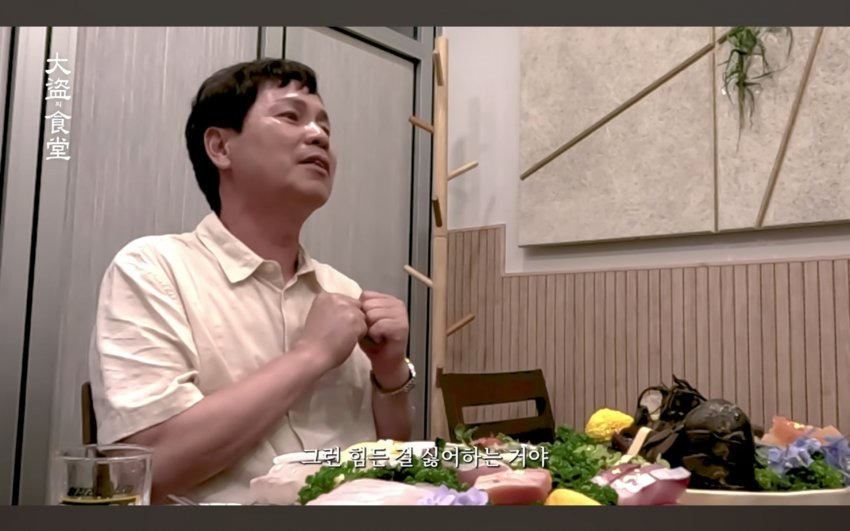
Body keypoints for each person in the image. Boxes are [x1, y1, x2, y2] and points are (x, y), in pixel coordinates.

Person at [87, 58, 416, 505]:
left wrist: (390, 374)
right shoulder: (152, 270)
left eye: (325, 126)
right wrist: (311, 355)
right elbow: (148, 468)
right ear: (220, 147)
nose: (319, 135)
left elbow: (392, 457)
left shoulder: (345, 292)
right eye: (290, 116)